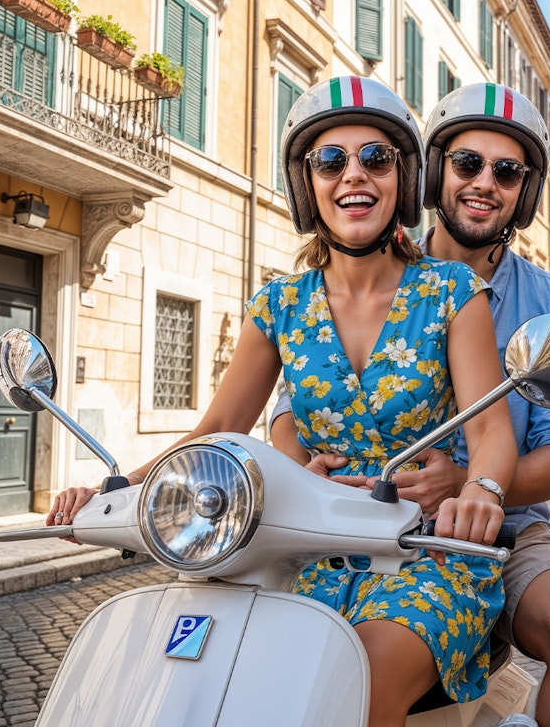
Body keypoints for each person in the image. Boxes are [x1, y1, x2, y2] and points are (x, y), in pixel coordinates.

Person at [48, 75, 518, 727]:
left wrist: (483, 491)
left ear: (402, 180)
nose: (353, 174)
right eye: (331, 160)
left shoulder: (451, 291)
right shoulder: (278, 306)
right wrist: (114, 490)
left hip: (424, 554)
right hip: (305, 552)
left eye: (375, 158)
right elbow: (216, 428)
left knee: (356, 681)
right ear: (308, 184)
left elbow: (492, 426)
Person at [271, 82, 550, 727]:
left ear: (527, 191)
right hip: (354, 518)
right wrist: (303, 470)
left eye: (508, 171)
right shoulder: (364, 264)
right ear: (432, 173)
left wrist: (471, 485)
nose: (484, 183)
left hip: (502, 528)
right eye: (467, 164)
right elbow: (290, 400)